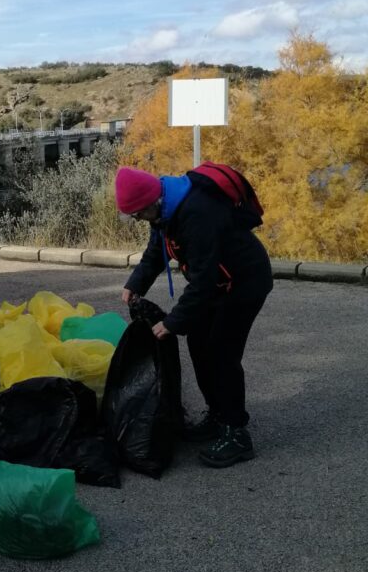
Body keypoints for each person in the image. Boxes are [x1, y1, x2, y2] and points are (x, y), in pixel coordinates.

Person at [114, 165, 273, 468]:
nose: (137, 220)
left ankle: (236, 433)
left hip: (244, 283)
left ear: (151, 202)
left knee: (221, 354)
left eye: (137, 215)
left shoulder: (197, 213)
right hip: (218, 285)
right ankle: (217, 415)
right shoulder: (163, 210)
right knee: (199, 345)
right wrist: (135, 284)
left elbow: (202, 279)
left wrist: (173, 322)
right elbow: (156, 251)